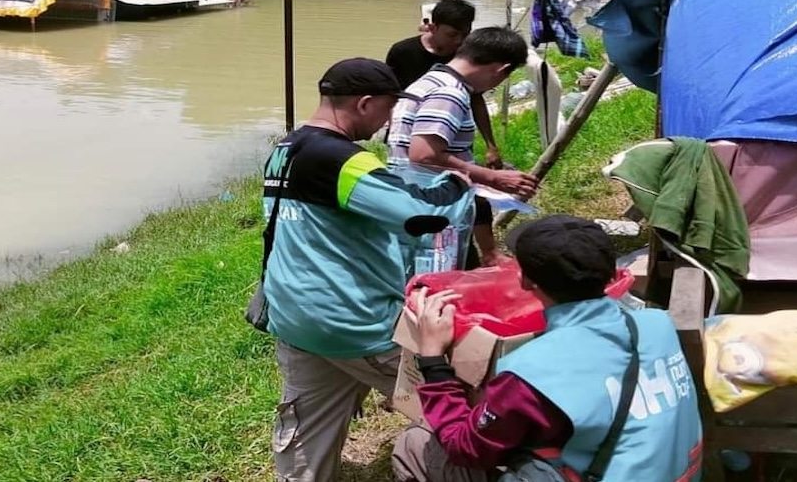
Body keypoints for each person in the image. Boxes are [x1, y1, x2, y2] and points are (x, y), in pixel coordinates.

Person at [261, 57, 476, 482]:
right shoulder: (345, 160)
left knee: (307, 425)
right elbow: (421, 215)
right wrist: (459, 181)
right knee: (455, 402)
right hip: (354, 321)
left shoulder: (284, 150)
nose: (387, 122)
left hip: (294, 314)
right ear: (363, 104)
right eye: (387, 108)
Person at [392, 215, 704, 482]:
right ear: (612, 273)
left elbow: (465, 446)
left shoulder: (531, 372)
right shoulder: (656, 324)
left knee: (415, 445)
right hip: (678, 472)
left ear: (526, 282)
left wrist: (432, 358)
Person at [387, 27, 538, 266]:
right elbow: (424, 154)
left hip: (414, 201)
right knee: (439, 281)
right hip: (433, 208)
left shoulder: (428, 81)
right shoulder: (449, 93)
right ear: (500, 70)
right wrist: (492, 177)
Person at [385, 0, 503, 170]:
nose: (459, 41)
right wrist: (393, 133)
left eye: (465, 34)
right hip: (409, 132)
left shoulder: (465, 54)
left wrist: (491, 146)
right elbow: (391, 97)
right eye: (452, 35)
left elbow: (476, 100)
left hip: (451, 133)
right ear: (432, 28)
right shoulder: (403, 52)